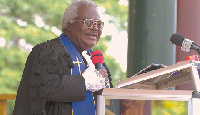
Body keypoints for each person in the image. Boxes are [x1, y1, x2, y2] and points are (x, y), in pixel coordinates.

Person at [13, 0, 113, 115]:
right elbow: (43, 88)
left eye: (99, 24)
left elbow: (108, 105)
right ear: (69, 24)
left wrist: (124, 101)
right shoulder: (49, 51)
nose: (95, 28)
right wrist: (84, 82)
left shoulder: (94, 60)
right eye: (89, 23)